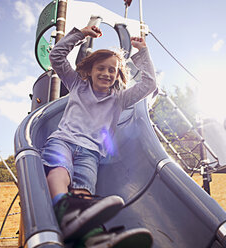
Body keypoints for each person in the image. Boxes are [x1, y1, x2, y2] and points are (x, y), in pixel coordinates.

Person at [40, 24, 156, 246]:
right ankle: (62, 205)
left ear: (118, 74)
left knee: (84, 189)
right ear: (90, 70)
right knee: (60, 168)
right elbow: (56, 56)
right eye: (101, 68)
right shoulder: (76, 84)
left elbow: (149, 84)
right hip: (63, 141)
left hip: (91, 153)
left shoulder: (119, 99)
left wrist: (142, 52)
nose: (106, 73)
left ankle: (92, 237)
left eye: (112, 70)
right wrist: (80, 34)